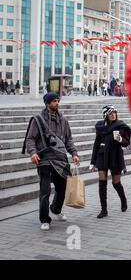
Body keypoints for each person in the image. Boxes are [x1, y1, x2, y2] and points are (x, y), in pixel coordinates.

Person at [24, 93, 80, 231]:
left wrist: (74, 153)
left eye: (58, 100)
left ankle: (55, 209)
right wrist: (33, 153)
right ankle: (44, 219)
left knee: (62, 187)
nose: (57, 103)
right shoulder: (37, 120)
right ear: (47, 103)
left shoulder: (63, 120)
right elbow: (30, 139)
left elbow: (68, 140)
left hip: (60, 158)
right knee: (45, 191)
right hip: (44, 159)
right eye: (54, 101)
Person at [90, 105, 131, 219]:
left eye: (114, 113)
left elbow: (126, 143)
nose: (113, 115)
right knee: (102, 182)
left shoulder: (120, 126)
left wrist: (121, 139)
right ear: (105, 116)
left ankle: (123, 199)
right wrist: (92, 162)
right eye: (110, 113)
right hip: (102, 155)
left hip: (115, 156)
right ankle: (104, 209)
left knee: (115, 183)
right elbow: (96, 145)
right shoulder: (100, 127)